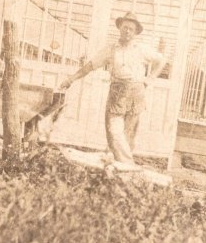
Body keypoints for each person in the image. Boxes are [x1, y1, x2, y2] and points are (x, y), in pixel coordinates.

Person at [59, 11, 165, 165]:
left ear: (135, 32)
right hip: (117, 92)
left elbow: (161, 61)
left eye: (131, 29)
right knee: (114, 132)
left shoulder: (141, 49)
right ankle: (128, 166)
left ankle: (121, 172)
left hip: (136, 93)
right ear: (120, 28)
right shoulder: (111, 49)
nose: (127, 31)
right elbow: (90, 65)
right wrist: (71, 79)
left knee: (128, 135)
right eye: (125, 27)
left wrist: (149, 80)